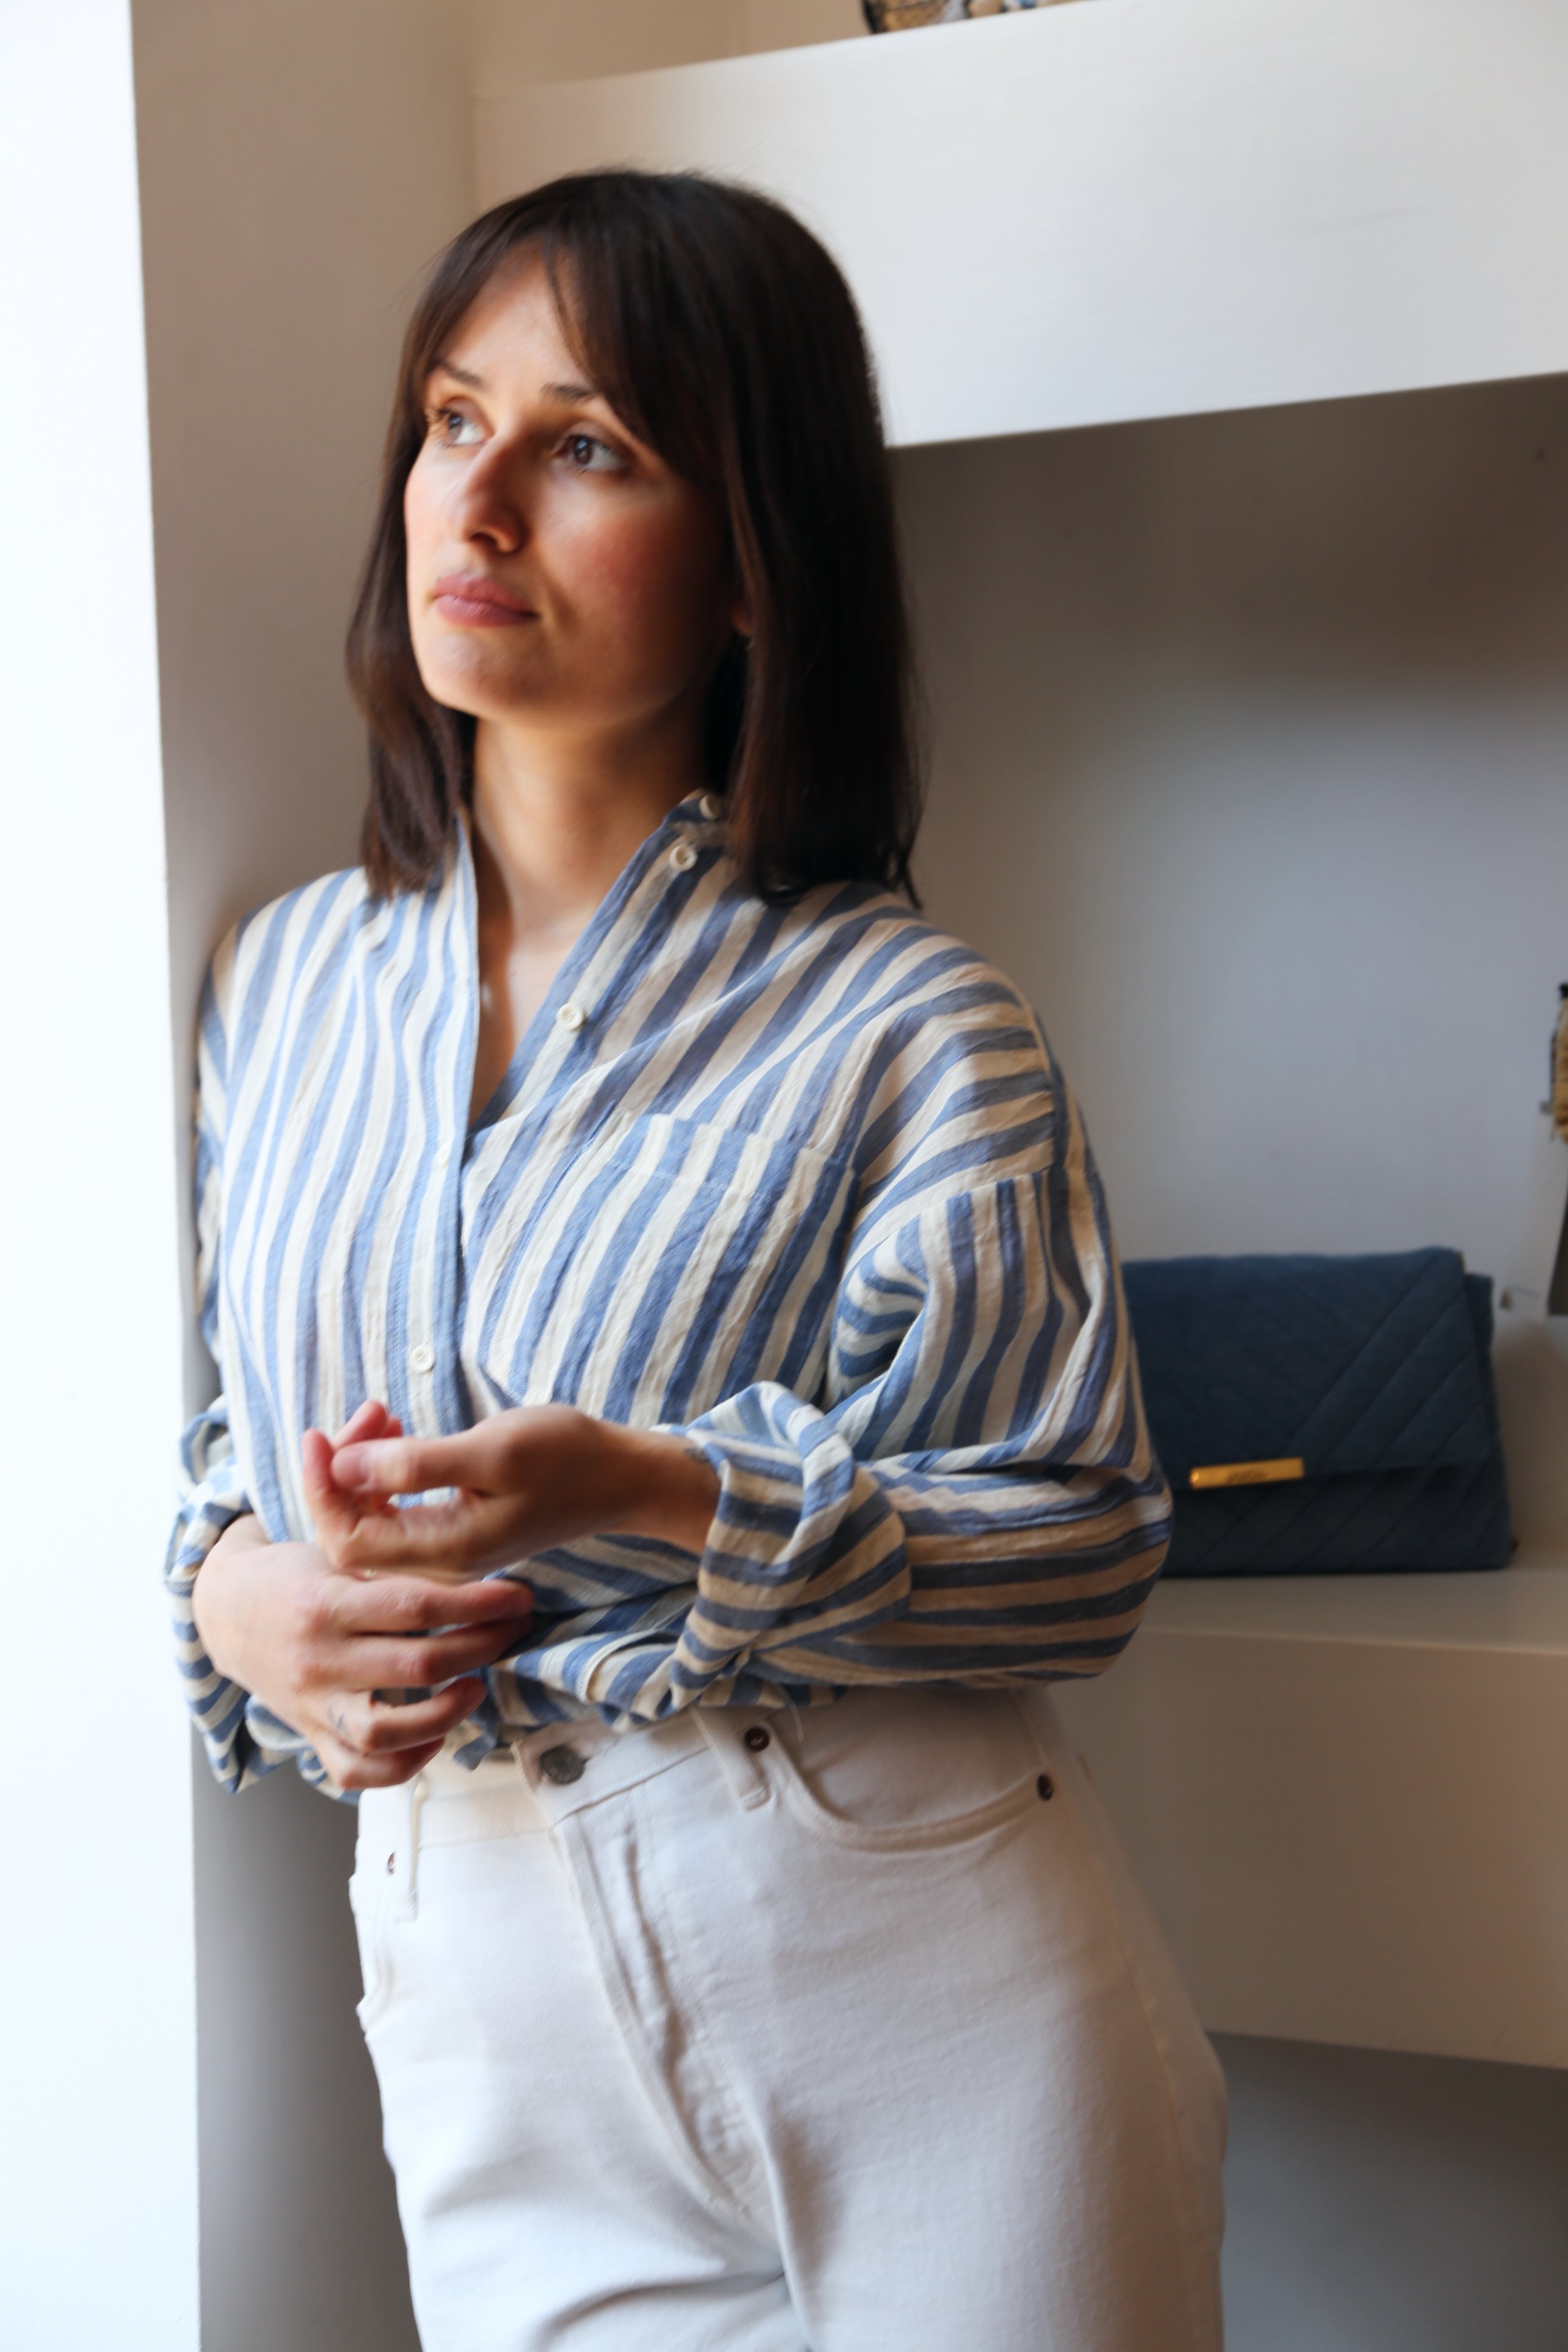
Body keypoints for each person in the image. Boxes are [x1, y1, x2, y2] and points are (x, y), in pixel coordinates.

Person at [171, 170, 1226, 2352]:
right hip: (472, 1996)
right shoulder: (278, 987)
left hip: (904, 1969)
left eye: (587, 447)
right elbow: (225, 1438)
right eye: (453, 421)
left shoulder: (914, 1027)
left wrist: (650, 1488)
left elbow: (1082, 1541)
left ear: (755, 562)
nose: (475, 508)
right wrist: (229, 1597)